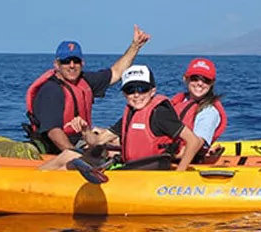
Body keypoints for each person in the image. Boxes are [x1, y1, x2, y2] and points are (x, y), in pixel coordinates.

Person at [38, 65, 205, 177]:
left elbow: (194, 141)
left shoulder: (160, 114)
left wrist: (179, 175)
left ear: (152, 91)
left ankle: (34, 182)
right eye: (130, 90)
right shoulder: (130, 114)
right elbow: (97, 141)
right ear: (124, 93)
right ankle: (34, 180)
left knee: (70, 160)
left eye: (142, 89)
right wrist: (85, 130)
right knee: (69, 154)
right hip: (132, 169)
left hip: (148, 173)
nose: (137, 95)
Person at [24, 25, 150, 154]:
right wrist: (76, 156)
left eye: (76, 61)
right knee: (110, 151)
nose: (72, 65)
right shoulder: (51, 91)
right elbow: (54, 133)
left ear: (82, 63)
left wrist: (135, 46)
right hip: (57, 149)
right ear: (57, 64)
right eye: (66, 61)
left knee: (119, 140)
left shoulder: (85, 81)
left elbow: (116, 73)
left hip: (81, 140)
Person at [169, 58, 228, 158]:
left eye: (206, 80)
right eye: (195, 78)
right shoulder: (179, 102)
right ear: (185, 78)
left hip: (185, 160)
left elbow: (195, 146)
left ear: (212, 83)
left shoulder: (209, 112)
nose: (200, 83)